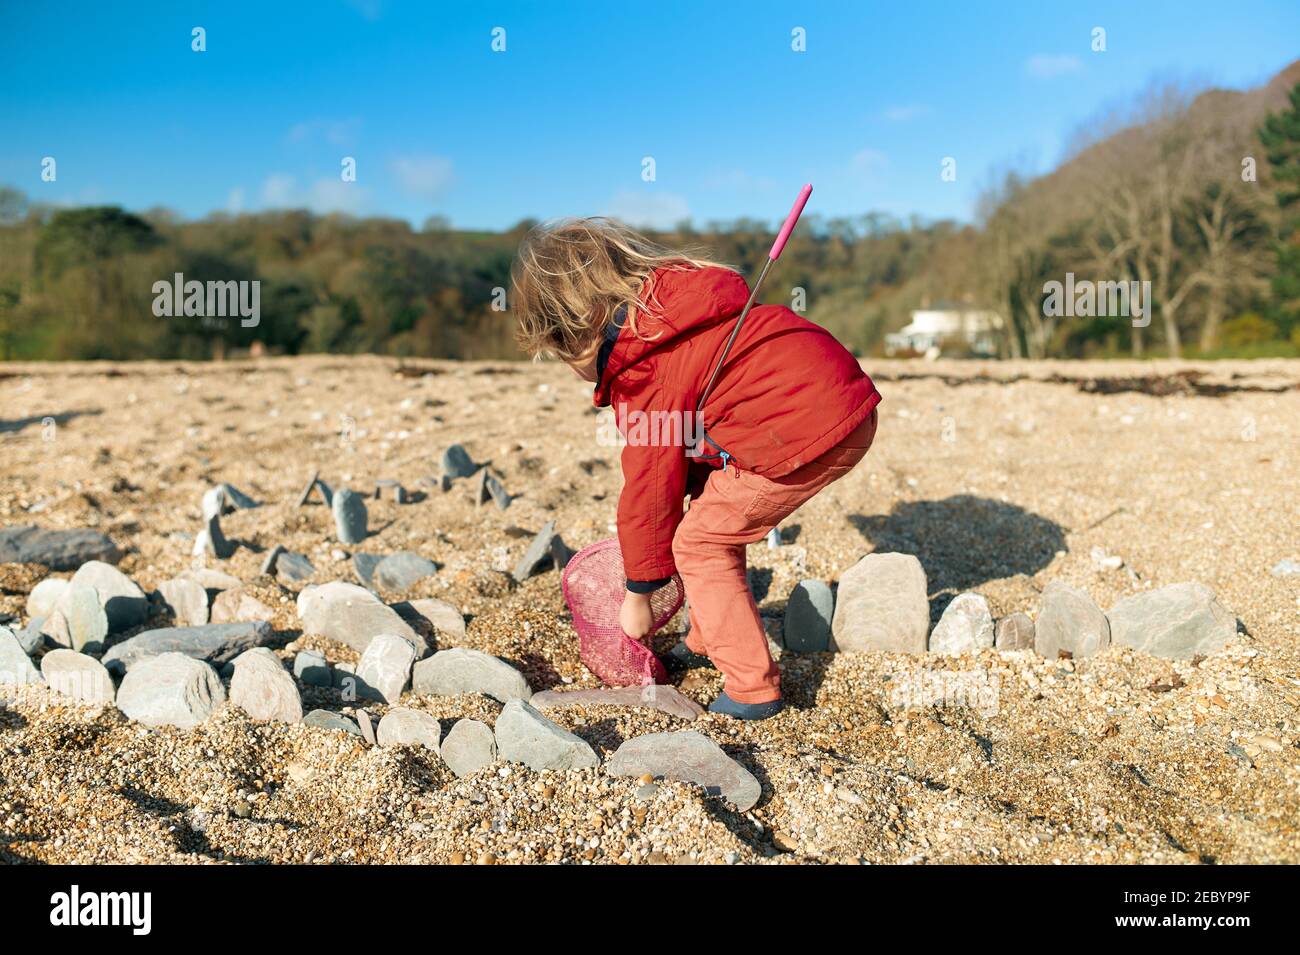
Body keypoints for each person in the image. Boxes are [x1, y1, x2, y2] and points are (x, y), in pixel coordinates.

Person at [512, 218, 881, 719]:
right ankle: (708, 638)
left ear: (575, 332)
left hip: (806, 428)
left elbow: (649, 488)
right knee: (711, 520)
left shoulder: (645, 369)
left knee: (700, 542)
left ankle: (752, 688)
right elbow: (708, 428)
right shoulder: (686, 313)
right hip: (844, 403)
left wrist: (640, 592)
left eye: (562, 357)